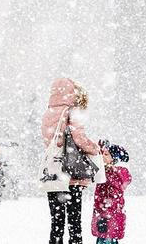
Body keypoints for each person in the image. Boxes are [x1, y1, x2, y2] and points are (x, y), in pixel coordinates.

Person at [41, 78, 99, 244]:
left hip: (53, 171)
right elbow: (79, 138)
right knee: (74, 223)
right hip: (71, 174)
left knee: (56, 222)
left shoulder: (48, 113)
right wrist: (94, 148)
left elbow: (49, 141)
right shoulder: (71, 111)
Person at [91, 143, 132, 244]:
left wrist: (108, 169)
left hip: (110, 215)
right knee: (103, 238)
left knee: (107, 239)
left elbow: (116, 183)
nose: (102, 157)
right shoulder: (105, 171)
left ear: (114, 159)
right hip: (103, 213)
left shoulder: (116, 173)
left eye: (106, 154)